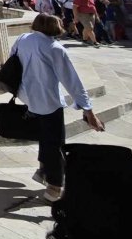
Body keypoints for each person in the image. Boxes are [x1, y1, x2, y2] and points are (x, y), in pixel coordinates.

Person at [11, 13, 105, 202]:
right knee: (55, 143)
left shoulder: (22, 39)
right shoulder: (54, 48)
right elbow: (72, 81)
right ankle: (54, 187)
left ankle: (43, 170)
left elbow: (12, 61)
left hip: (27, 96)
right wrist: (88, 110)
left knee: (45, 137)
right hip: (47, 100)